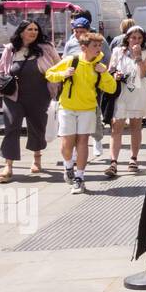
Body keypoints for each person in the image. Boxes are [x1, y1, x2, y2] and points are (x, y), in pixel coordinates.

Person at [45, 33, 117, 195]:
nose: (99, 49)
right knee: (67, 143)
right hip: (67, 107)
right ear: (84, 47)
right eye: (95, 46)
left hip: (88, 108)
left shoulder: (99, 66)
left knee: (83, 141)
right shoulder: (72, 60)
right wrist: (63, 74)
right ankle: (68, 165)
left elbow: (111, 88)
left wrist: (104, 72)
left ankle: (79, 177)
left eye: (100, 46)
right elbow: (49, 74)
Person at [0, 20, 62, 183]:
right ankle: (8, 166)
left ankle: (37, 158)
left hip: (39, 94)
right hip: (13, 96)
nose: (33, 32)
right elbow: (0, 70)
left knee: (37, 127)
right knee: (12, 127)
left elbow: (60, 66)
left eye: (35, 29)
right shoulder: (10, 49)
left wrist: (58, 84)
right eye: (29, 29)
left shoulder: (46, 48)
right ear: (21, 32)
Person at [106, 26, 146, 175]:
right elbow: (110, 70)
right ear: (127, 38)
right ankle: (113, 162)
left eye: (139, 38)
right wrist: (115, 75)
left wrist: (138, 57)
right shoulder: (118, 52)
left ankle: (133, 159)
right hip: (122, 91)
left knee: (136, 126)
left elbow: (144, 72)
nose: (136, 41)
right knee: (117, 126)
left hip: (138, 91)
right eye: (133, 38)